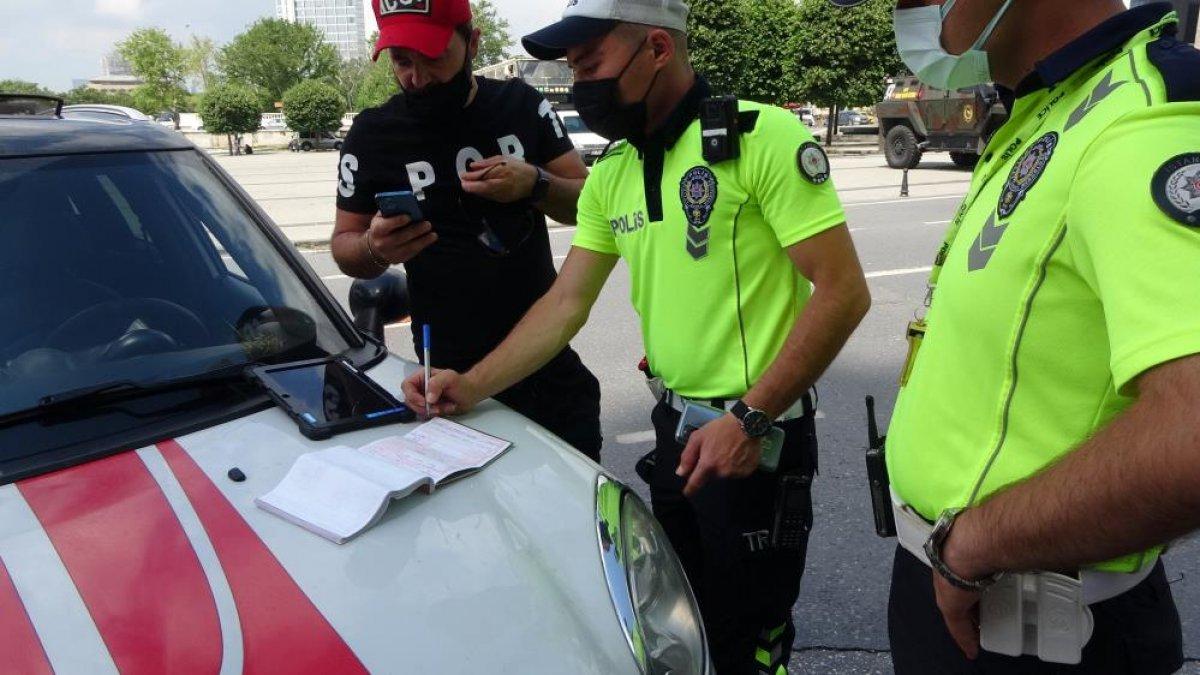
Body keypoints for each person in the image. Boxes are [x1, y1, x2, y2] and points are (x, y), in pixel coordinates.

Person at [402, 0, 871, 671]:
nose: (578, 82)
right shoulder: (614, 173)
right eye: (569, 66)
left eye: (589, 63)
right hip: (675, 428)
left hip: (754, 438)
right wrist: (468, 384)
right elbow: (565, 302)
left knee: (750, 641)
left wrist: (750, 416)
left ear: (657, 48)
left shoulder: (760, 139)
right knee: (677, 627)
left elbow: (844, 291)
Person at [833, 0, 1200, 672]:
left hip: (1026, 623)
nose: (906, 19)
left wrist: (974, 545)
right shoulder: (1050, 106)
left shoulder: (1147, 117)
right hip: (959, 591)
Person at [331, 0, 603, 461]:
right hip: (445, 378)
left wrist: (534, 184)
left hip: (546, 368)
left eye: (431, 56)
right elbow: (344, 246)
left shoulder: (521, 104)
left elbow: (588, 204)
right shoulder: (372, 134)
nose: (416, 77)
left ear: (472, 42)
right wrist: (375, 248)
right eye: (401, 60)